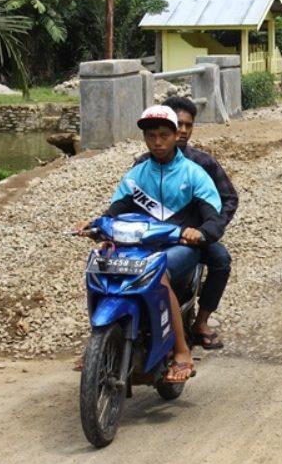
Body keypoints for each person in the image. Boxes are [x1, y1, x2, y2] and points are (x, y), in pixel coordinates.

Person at [75, 105, 225, 383]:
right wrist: (95, 225)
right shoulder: (137, 174)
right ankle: (100, 341)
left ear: (175, 135)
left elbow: (214, 218)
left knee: (158, 275)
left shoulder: (194, 173)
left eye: (163, 135)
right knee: (101, 266)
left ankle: (182, 352)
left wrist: (201, 232)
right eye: (151, 136)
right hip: (141, 243)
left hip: (180, 246)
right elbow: (116, 209)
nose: (157, 142)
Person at [135, 96, 238, 350]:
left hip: (193, 239)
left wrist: (208, 231)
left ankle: (201, 322)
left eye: (188, 125)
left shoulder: (203, 164)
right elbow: (130, 201)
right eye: (178, 124)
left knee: (221, 261)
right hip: (152, 235)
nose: (182, 130)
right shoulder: (141, 165)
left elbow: (228, 198)